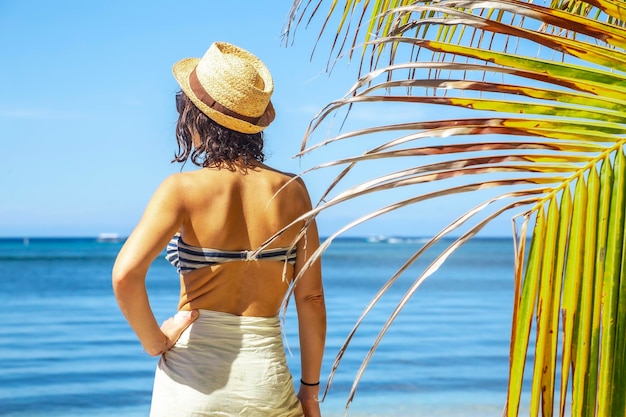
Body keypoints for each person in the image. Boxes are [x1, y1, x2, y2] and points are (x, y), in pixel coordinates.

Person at [112, 41, 326, 417]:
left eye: (183, 106)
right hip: (267, 383)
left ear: (197, 118)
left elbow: (126, 275)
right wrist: (309, 393)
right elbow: (310, 300)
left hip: (191, 384)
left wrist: (155, 341)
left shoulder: (181, 190)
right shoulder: (294, 191)